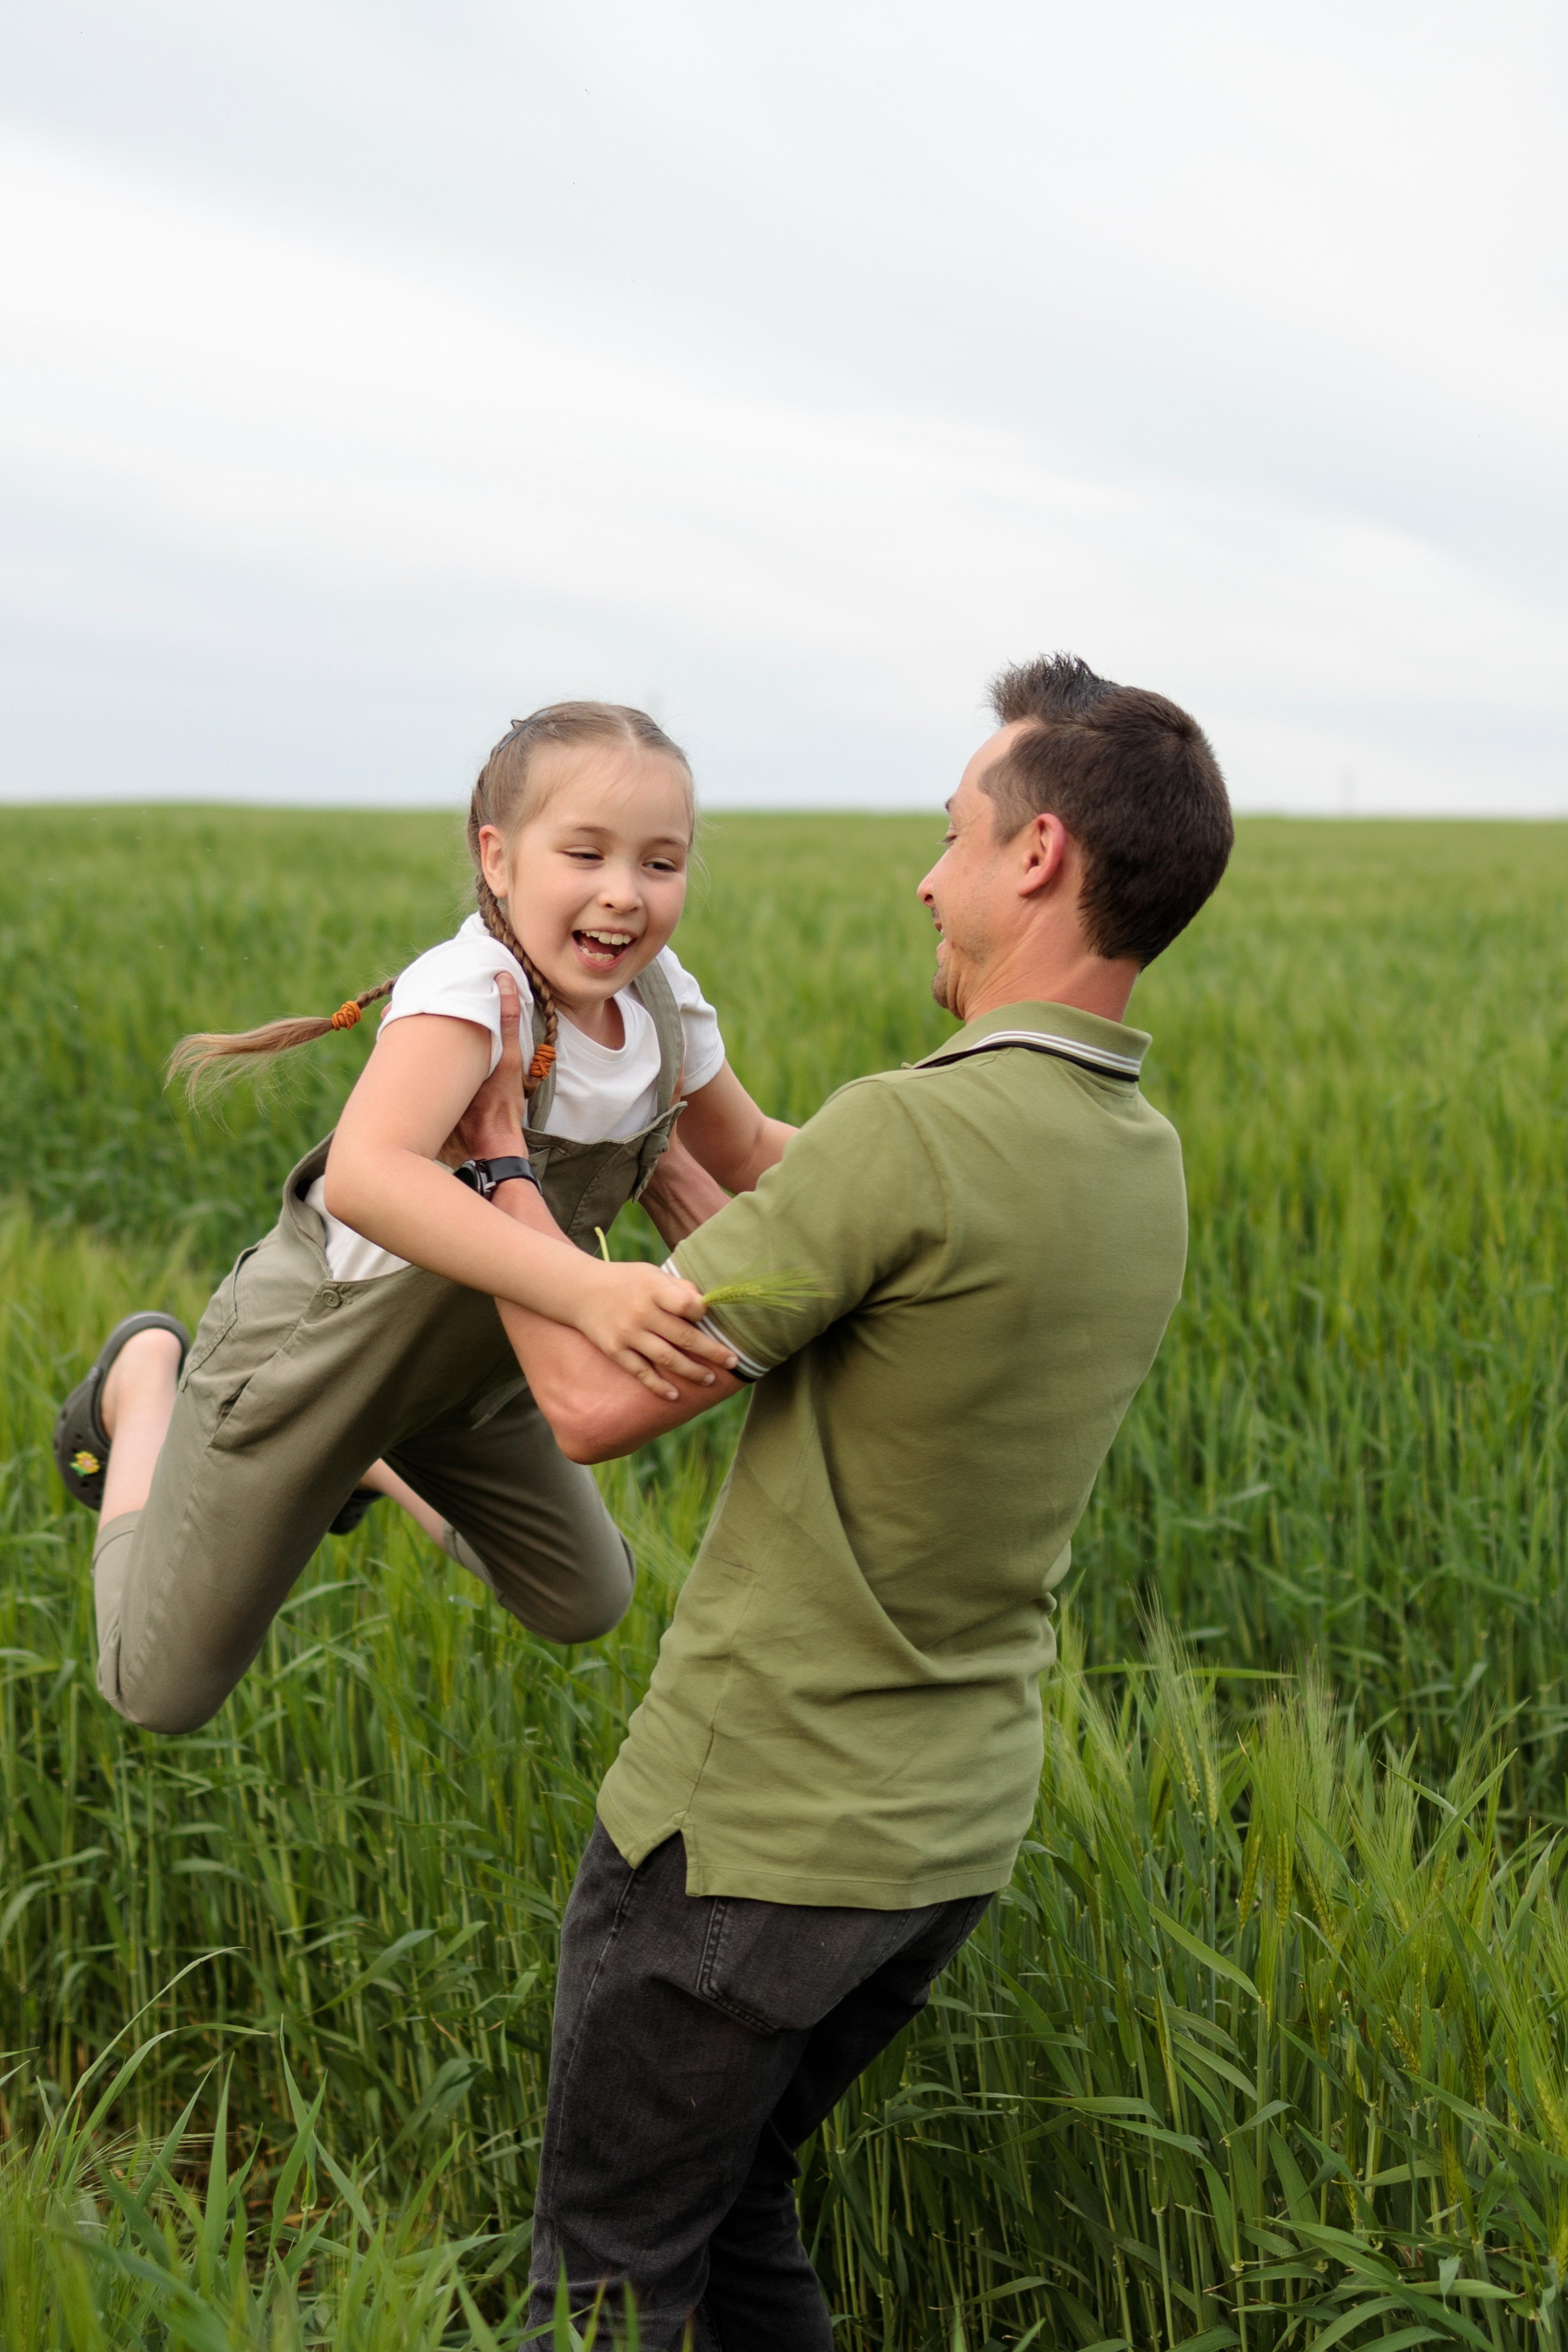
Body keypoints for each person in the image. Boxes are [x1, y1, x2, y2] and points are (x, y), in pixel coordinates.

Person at [447, 653, 1234, 2346]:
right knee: (727, 2224)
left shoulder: (913, 1131)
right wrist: (666, 1138)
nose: (926, 874)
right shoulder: (1128, 1150)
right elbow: (825, 1261)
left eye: (953, 832)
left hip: (750, 1835)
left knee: (607, 2270)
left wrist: (493, 1160)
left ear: (1035, 860)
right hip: (939, 1841)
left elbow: (590, 1400)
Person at [51, 702, 777, 1736]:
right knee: (155, 1690)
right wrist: (589, 1286)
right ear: (498, 857)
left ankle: (380, 1460)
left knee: (587, 1599)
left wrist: (901, 1168)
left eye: (662, 864)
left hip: (472, 1379)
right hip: (315, 1360)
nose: (624, 894)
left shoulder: (661, 1003)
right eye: (586, 853)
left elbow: (746, 1150)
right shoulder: (470, 989)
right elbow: (367, 1174)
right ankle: (143, 1386)